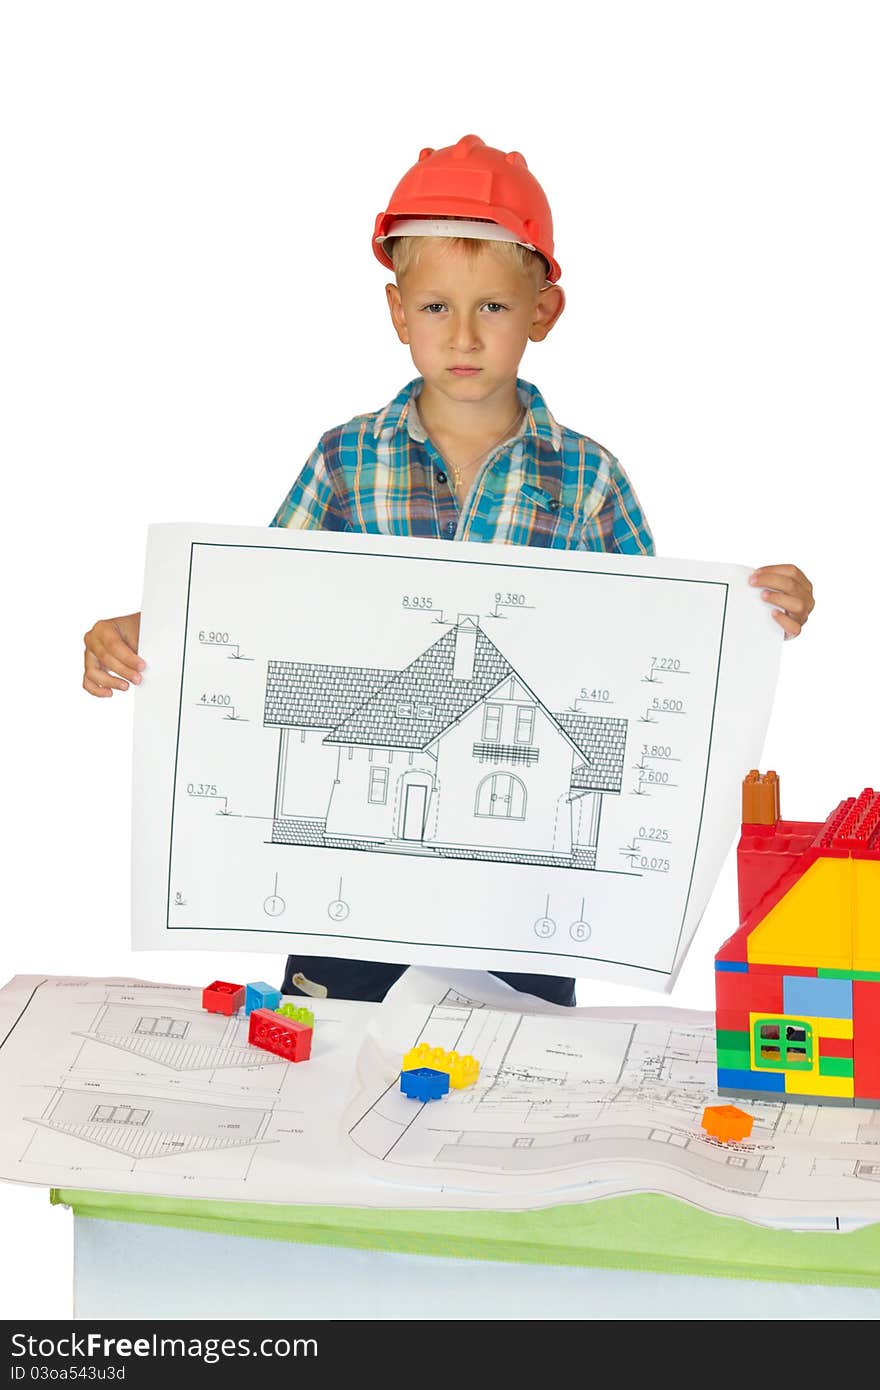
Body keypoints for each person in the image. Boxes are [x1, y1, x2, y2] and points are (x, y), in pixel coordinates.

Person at [82, 134, 815, 1007]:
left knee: (511, 1076)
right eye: (435, 307)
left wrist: (757, 617)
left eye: (494, 309)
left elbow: (650, 656)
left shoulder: (587, 478)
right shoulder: (346, 460)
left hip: (520, 887)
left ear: (543, 310)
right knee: (326, 1064)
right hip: (350, 879)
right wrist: (151, 630)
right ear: (397, 312)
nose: (463, 335)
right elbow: (262, 612)